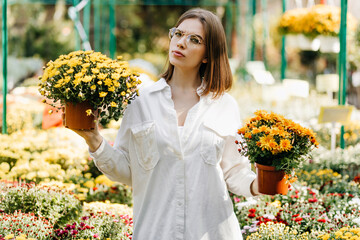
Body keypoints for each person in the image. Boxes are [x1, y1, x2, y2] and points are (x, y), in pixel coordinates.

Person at [65, 8, 260, 240]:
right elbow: (128, 171)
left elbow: (235, 172)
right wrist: (94, 139)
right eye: (178, 34)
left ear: (208, 55)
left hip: (212, 233)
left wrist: (260, 184)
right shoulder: (140, 100)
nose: (181, 43)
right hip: (155, 231)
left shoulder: (224, 105)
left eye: (194, 39)